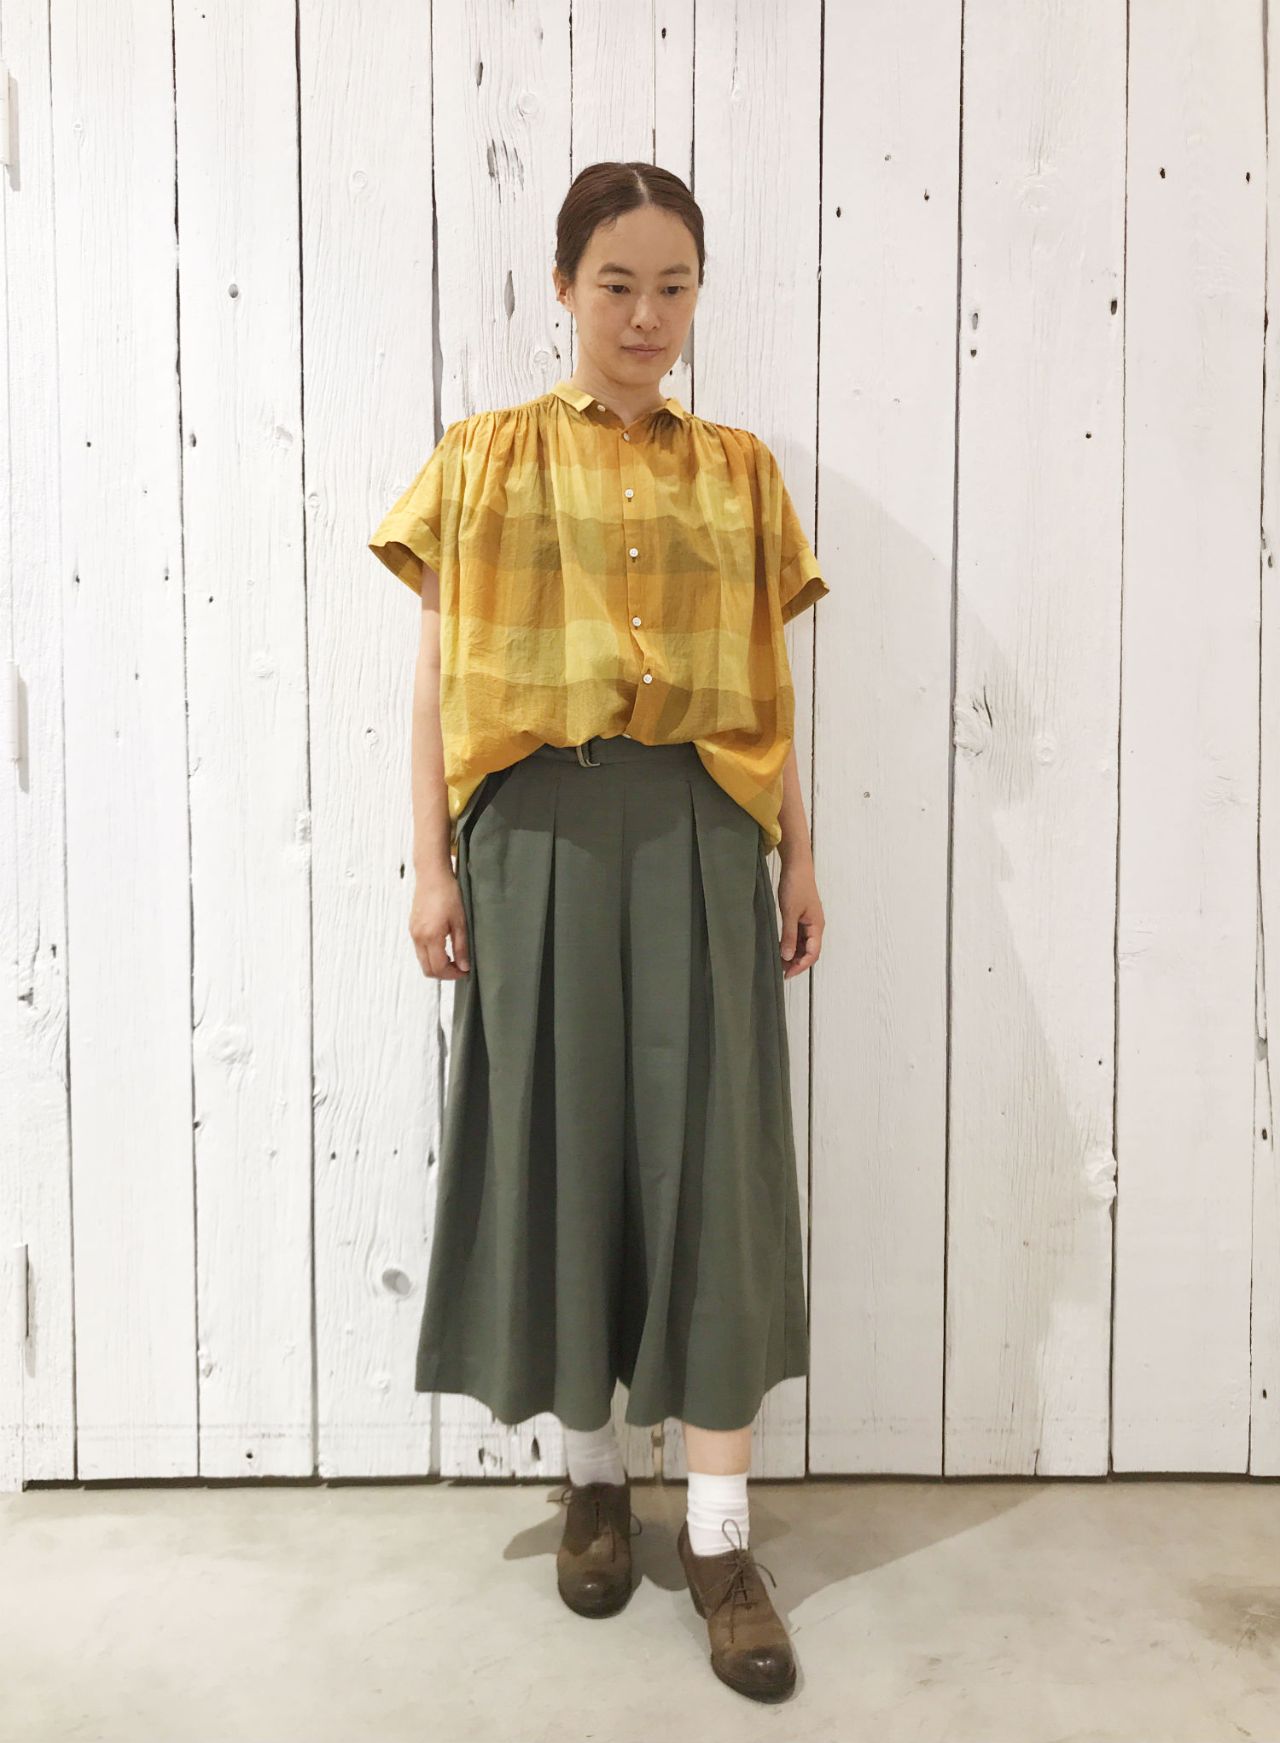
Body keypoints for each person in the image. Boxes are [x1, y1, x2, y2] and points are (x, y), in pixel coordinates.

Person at [368, 161, 828, 1705]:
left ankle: (720, 1538)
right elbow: (435, 680)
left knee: (713, 1165)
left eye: (673, 286)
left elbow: (767, 682)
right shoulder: (483, 459)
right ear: (561, 285)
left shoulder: (742, 473)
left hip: (701, 832)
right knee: (564, 1149)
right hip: (535, 841)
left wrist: (799, 852)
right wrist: (431, 866)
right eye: (618, 283)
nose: (646, 315)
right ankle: (592, 1487)